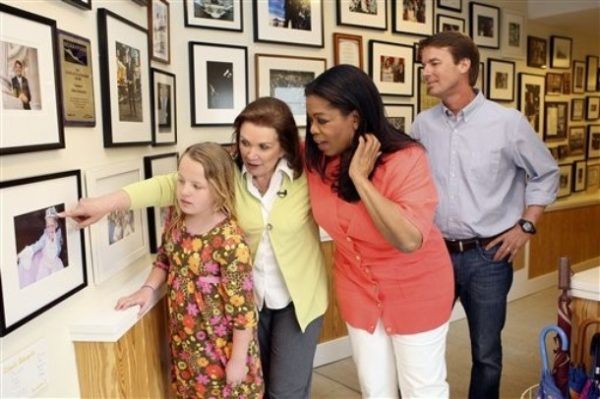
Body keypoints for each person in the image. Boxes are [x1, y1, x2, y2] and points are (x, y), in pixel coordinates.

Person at [63, 97, 328, 399]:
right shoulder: (227, 173)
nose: (251, 154)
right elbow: (167, 186)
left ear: (285, 145)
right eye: (244, 143)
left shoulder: (306, 176)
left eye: (264, 147)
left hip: (298, 301)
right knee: (258, 382)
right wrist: (104, 204)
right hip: (252, 299)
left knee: (285, 391)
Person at [412, 31, 559, 399]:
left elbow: (545, 172)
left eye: (434, 63)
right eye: (423, 64)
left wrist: (526, 225)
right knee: (418, 343)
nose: (425, 71)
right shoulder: (422, 125)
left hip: (488, 257)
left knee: (486, 352)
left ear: (464, 65)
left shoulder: (507, 122)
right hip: (434, 255)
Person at [304, 64, 454, 398]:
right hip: (359, 291)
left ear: (355, 118)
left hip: (417, 289)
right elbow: (264, 149)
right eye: (310, 119)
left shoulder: (406, 159)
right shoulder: (316, 161)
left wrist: (360, 177)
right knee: (375, 389)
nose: (313, 130)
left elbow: (409, 239)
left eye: (323, 120)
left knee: (422, 389)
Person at [114, 143, 263, 398]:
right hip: (187, 350)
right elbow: (165, 259)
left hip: (223, 354)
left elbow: (243, 313)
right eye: (181, 181)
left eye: (196, 186)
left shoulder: (230, 242)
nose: (185, 191)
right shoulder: (177, 218)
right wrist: (147, 289)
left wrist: (238, 361)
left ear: (219, 188)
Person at [17, 206, 64, 287]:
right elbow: (37, 246)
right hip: (45, 265)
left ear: (56, 225)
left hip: (55, 264)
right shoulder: (45, 236)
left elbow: (57, 250)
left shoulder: (58, 235)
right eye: (48, 226)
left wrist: (55, 243)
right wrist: (25, 252)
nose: (50, 229)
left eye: (52, 226)